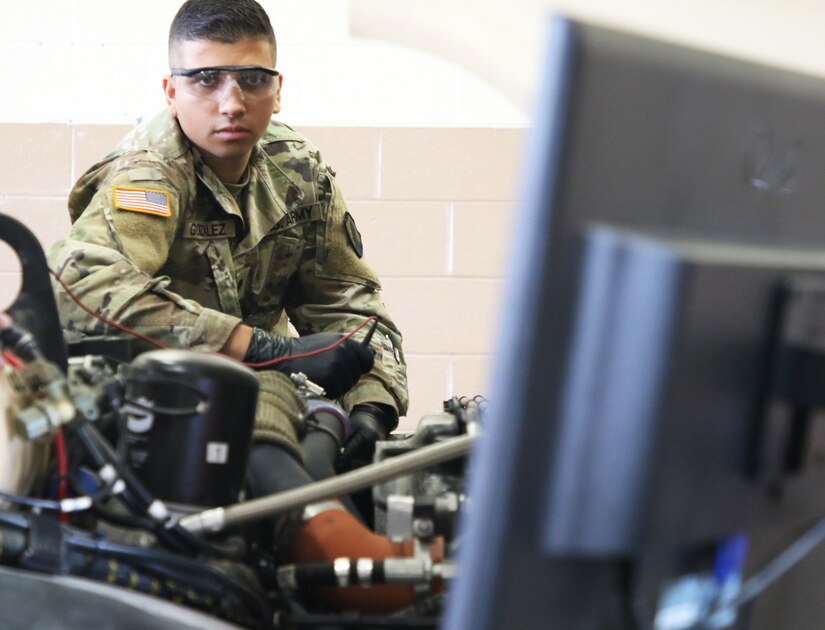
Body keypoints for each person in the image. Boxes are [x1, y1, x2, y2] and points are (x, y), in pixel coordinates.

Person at [47, 0, 424, 613]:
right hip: (149, 407)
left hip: (266, 401)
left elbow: (350, 301)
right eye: (205, 79)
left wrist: (372, 407)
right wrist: (263, 349)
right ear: (172, 90)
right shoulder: (149, 173)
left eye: (252, 80)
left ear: (277, 91)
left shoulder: (298, 172)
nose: (231, 102)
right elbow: (80, 285)